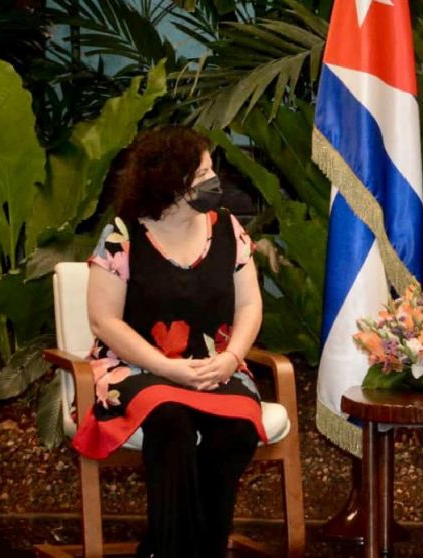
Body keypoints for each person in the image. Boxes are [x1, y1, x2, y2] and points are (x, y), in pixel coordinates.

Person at [72, 126, 264, 558]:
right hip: (134, 367)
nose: (214, 180)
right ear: (171, 182)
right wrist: (168, 368)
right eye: (203, 173)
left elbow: (250, 306)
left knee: (235, 427)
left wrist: (233, 357)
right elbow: (103, 321)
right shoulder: (122, 235)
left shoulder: (228, 228)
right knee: (171, 418)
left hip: (215, 363)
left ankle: (188, 548)